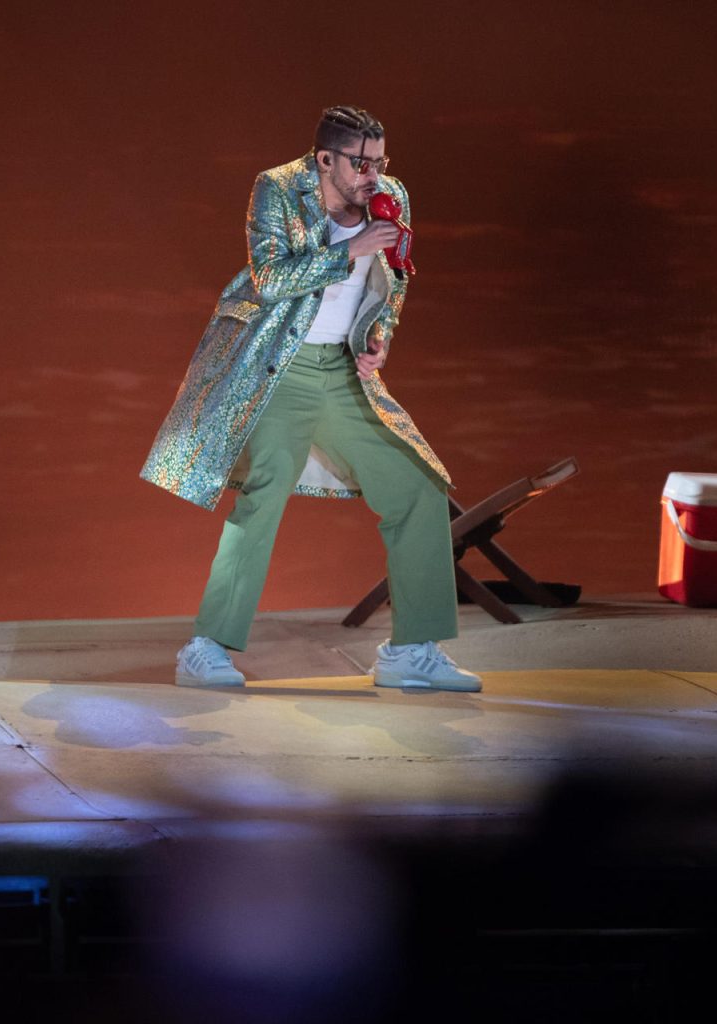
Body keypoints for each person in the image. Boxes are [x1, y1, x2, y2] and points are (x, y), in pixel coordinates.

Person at [140, 105, 480, 692]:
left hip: (344, 372)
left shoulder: (391, 194)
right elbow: (268, 279)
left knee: (417, 487)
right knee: (265, 490)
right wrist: (349, 249)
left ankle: (410, 651)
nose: (373, 174)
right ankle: (205, 648)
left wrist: (379, 339)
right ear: (325, 160)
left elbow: (394, 278)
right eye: (361, 162)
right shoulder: (276, 188)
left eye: (380, 161)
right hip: (279, 367)